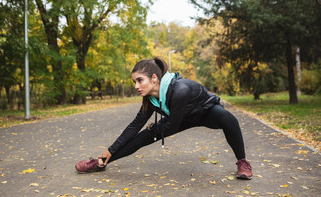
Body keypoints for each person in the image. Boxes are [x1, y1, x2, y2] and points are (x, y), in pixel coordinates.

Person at [75, 57, 253, 179]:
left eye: (139, 80)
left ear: (154, 78)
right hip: (179, 118)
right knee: (142, 137)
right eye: (134, 82)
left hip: (204, 112)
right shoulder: (151, 99)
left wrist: (157, 127)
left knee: (227, 118)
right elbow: (134, 126)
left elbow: (172, 127)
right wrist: (111, 150)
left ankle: (243, 163)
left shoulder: (180, 90)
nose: (136, 86)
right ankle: (99, 162)